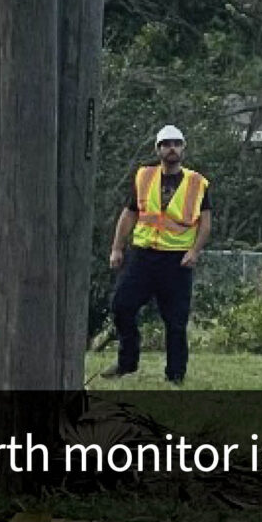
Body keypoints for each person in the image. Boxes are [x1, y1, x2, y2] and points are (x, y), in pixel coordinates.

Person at [104, 124, 211, 384]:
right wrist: (117, 247)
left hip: (176, 259)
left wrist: (194, 251)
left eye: (176, 143)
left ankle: (175, 375)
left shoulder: (197, 183)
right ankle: (127, 362)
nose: (171, 148)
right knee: (121, 306)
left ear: (183, 148)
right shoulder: (144, 177)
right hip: (143, 255)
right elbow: (129, 214)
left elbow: (205, 222)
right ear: (158, 149)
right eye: (166, 143)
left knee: (175, 321)